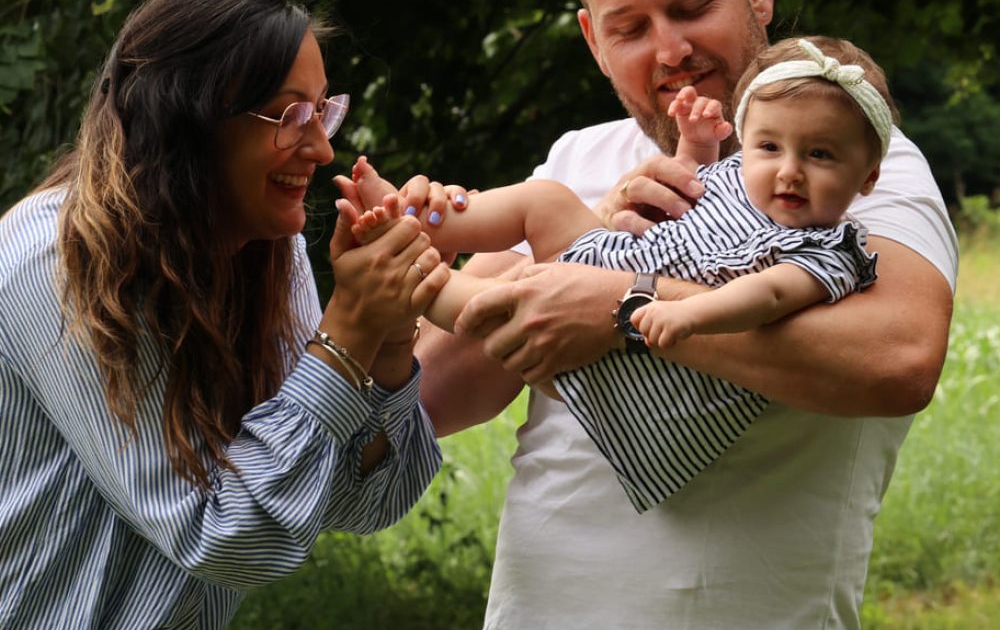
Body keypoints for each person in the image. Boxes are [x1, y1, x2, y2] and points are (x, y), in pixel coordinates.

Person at [420, 0, 958, 630]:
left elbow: (897, 362)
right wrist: (563, 239)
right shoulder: (577, 161)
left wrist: (622, 302)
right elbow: (438, 394)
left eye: (691, 6)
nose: (669, 49)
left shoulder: (854, 163)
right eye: (630, 27)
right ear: (594, 40)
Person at [0, 0, 448, 630]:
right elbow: (225, 534)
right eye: (290, 114)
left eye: (324, 109)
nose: (321, 146)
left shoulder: (266, 251)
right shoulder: (59, 259)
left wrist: (390, 333)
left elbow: (363, 500)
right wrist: (345, 332)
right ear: (189, 117)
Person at [345, 35, 892, 513]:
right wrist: (696, 145)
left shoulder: (831, 250)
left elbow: (769, 294)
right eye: (770, 146)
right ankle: (427, 219)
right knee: (546, 199)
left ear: (867, 177)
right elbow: (695, 192)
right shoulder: (743, 175)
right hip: (610, 266)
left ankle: (411, 267)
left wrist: (682, 313)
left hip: (637, 370)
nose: (789, 170)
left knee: (501, 303)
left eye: (820, 155)